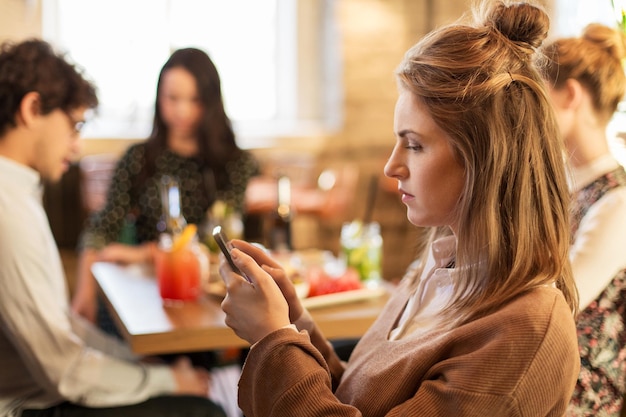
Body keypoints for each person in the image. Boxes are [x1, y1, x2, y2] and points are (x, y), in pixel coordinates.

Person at [217, 1, 581, 416]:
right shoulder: (443, 263)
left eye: (414, 144)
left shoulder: (526, 331)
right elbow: (355, 398)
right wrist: (292, 319)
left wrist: (273, 338)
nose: (392, 166)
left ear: (485, 159)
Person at [0, 39, 226, 416]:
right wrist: (165, 381)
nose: (76, 146)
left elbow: (63, 331)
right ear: (32, 109)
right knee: (203, 410)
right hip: (29, 404)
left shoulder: (18, 191)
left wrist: (143, 366)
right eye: (74, 126)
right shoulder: (8, 207)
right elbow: (65, 368)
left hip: (46, 384)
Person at [71, 47, 260, 329]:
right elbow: (101, 228)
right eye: (172, 98)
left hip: (216, 299)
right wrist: (84, 290)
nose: (182, 110)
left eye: (194, 100)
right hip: (151, 295)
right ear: (159, 98)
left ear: (211, 102)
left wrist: (143, 252)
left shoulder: (235, 162)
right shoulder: (138, 159)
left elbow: (219, 239)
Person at [542, 24, 626, 416]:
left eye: (537, 98)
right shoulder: (565, 189)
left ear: (570, 95)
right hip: (546, 360)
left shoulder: (618, 202)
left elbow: (561, 299)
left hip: (583, 384)